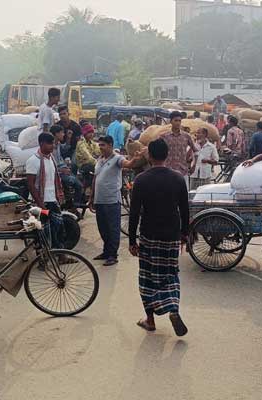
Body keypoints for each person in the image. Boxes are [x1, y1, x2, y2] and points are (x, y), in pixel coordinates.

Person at [128, 138, 189, 336]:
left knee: (147, 277)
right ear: (167, 155)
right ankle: (173, 309)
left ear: (150, 156)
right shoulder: (178, 178)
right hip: (171, 234)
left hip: (149, 235)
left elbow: (134, 213)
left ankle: (150, 319)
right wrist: (184, 234)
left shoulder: (141, 180)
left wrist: (131, 240)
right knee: (170, 275)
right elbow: (185, 210)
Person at [88, 135, 143, 266]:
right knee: (103, 228)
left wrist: (134, 159)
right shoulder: (100, 160)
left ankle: (113, 255)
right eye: (99, 145)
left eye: (103, 145)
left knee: (113, 228)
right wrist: (91, 197)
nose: (100, 148)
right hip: (99, 200)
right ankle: (106, 252)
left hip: (112, 200)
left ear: (111, 145)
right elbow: (95, 178)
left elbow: (128, 165)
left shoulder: (118, 158)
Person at [26, 133, 65, 249]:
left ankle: (61, 255)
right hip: (41, 203)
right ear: (42, 143)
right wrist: (40, 204)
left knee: (58, 227)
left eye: (53, 143)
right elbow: (31, 185)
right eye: (50, 143)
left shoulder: (51, 158)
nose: (52, 146)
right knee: (44, 230)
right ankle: (43, 259)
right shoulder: (33, 161)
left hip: (52, 200)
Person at [162, 111, 198, 188]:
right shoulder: (164, 137)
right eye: (176, 120)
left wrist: (194, 166)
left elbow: (196, 151)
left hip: (183, 171)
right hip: (168, 171)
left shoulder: (186, 136)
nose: (178, 123)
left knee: (183, 195)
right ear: (171, 121)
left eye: (179, 121)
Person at [51, 125, 84, 207]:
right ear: (56, 134)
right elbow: (50, 165)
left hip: (64, 169)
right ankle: (75, 206)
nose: (63, 135)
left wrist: (69, 138)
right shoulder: (50, 148)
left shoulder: (57, 144)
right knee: (78, 185)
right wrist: (62, 170)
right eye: (62, 133)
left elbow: (65, 148)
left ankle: (70, 203)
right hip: (59, 172)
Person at [75, 123, 100, 190]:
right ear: (85, 133)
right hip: (83, 165)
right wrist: (97, 162)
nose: (91, 134)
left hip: (90, 163)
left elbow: (99, 150)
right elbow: (87, 156)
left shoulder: (92, 143)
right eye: (89, 132)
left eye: (92, 132)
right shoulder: (81, 143)